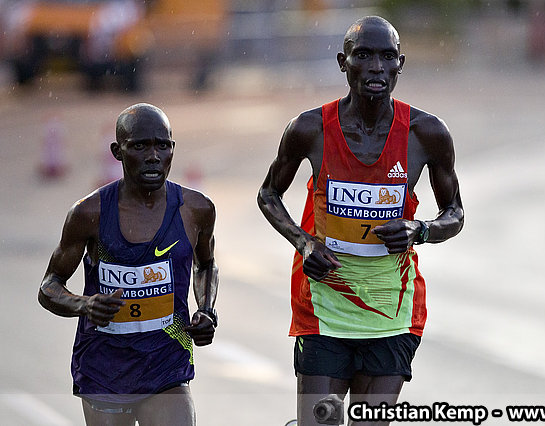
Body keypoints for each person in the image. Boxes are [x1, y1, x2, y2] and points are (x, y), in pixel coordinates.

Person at [257, 16, 464, 425]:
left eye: (387, 57)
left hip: (391, 311)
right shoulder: (309, 129)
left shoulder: (426, 133)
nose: (376, 68)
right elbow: (268, 195)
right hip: (323, 308)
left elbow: (455, 213)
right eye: (364, 55)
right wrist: (304, 242)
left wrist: (420, 229)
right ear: (343, 62)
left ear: (400, 64)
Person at [38, 103, 219, 426]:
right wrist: (84, 304)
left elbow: (206, 266)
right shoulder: (89, 213)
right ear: (117, 152)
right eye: (139, 146)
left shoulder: (196, 209)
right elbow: (49, 286)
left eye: (162, 146)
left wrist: (206, 309)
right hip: (105, 370)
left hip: (166, 366)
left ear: (172, 149)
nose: (153, 156)